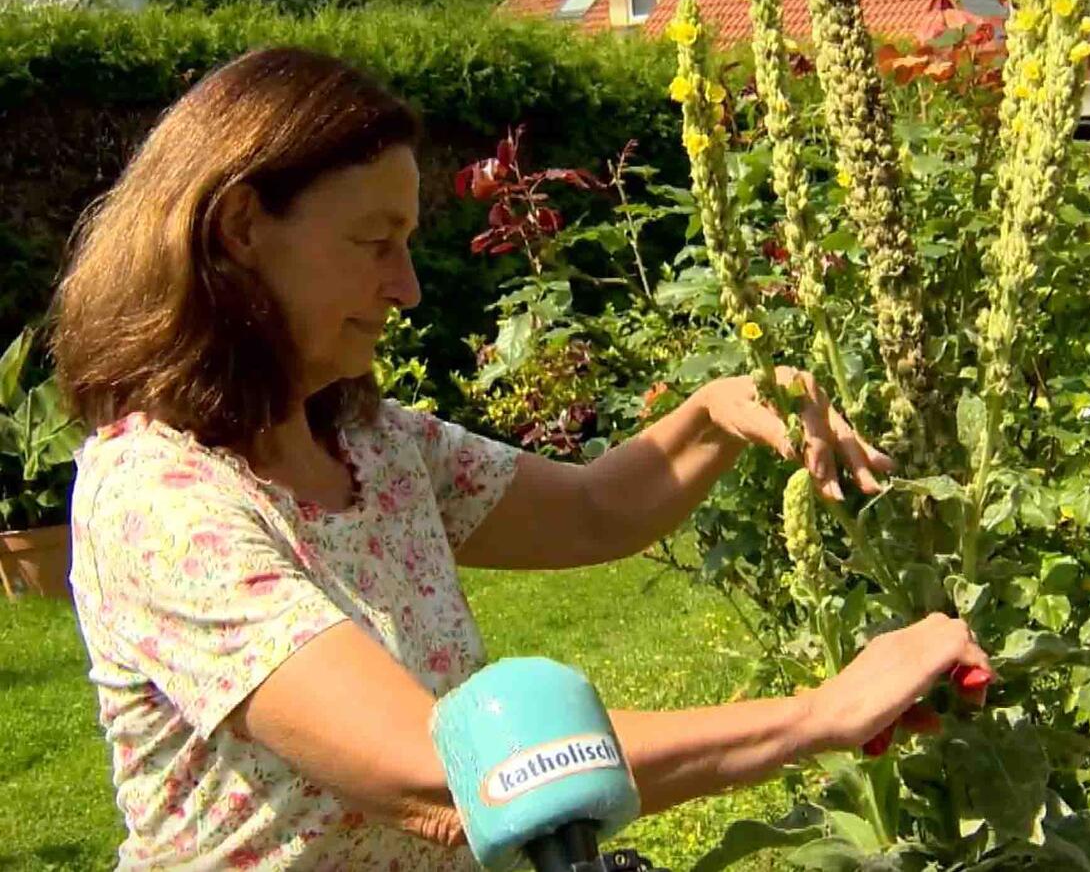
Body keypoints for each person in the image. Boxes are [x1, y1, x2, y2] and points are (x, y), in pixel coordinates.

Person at [52, 47, 992, 870]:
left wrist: (717, 416)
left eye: (408, 244)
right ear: (242, 227)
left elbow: (593, 509)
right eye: (374, 243)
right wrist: (819, 713)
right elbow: (437, 774)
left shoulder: (371, 444)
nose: (410, 288)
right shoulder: (162, 500)